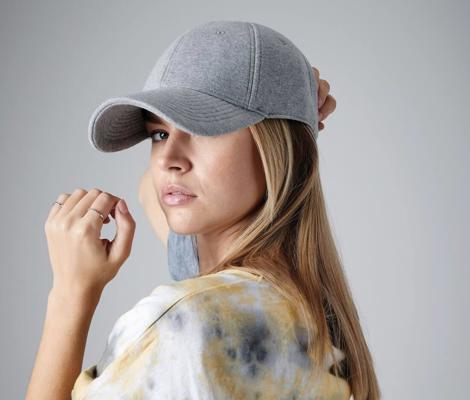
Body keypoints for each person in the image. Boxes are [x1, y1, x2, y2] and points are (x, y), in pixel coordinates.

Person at [25, 20, 381, 400]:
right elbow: (151, 189)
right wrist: (294, 104)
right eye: (159, 134)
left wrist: (70, 294)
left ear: (275, 146)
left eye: (202, 128)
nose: (168, 161)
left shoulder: (180, 326)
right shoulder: (315, 319)